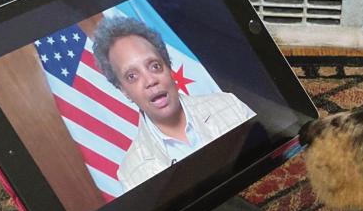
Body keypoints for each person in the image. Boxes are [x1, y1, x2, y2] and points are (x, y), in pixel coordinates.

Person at [93, 16, 256, 191]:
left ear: (169, 68)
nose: (150, 81)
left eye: (154, 66)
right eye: (132, 76)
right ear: (124, 90)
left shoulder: (228, 104)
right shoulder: (131, 173)